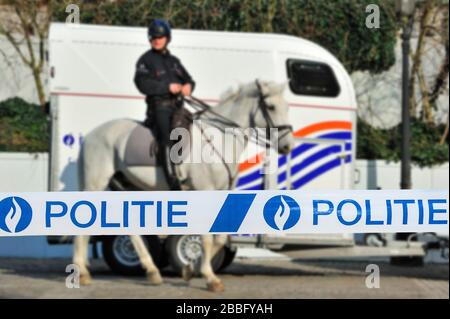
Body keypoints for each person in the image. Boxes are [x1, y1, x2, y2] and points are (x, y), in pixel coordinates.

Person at [134, 19, 195, 190]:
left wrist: (188, 86)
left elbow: (188, 79)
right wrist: (167, 87)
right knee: (166, 136)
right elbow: (142, 83)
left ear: (167, 38)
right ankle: (172, 180)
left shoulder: (174, 61)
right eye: (153, 37)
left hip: (177, 107)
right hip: (159, 107)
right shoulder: (145, 60)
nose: (156, 39)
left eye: (160, 36)